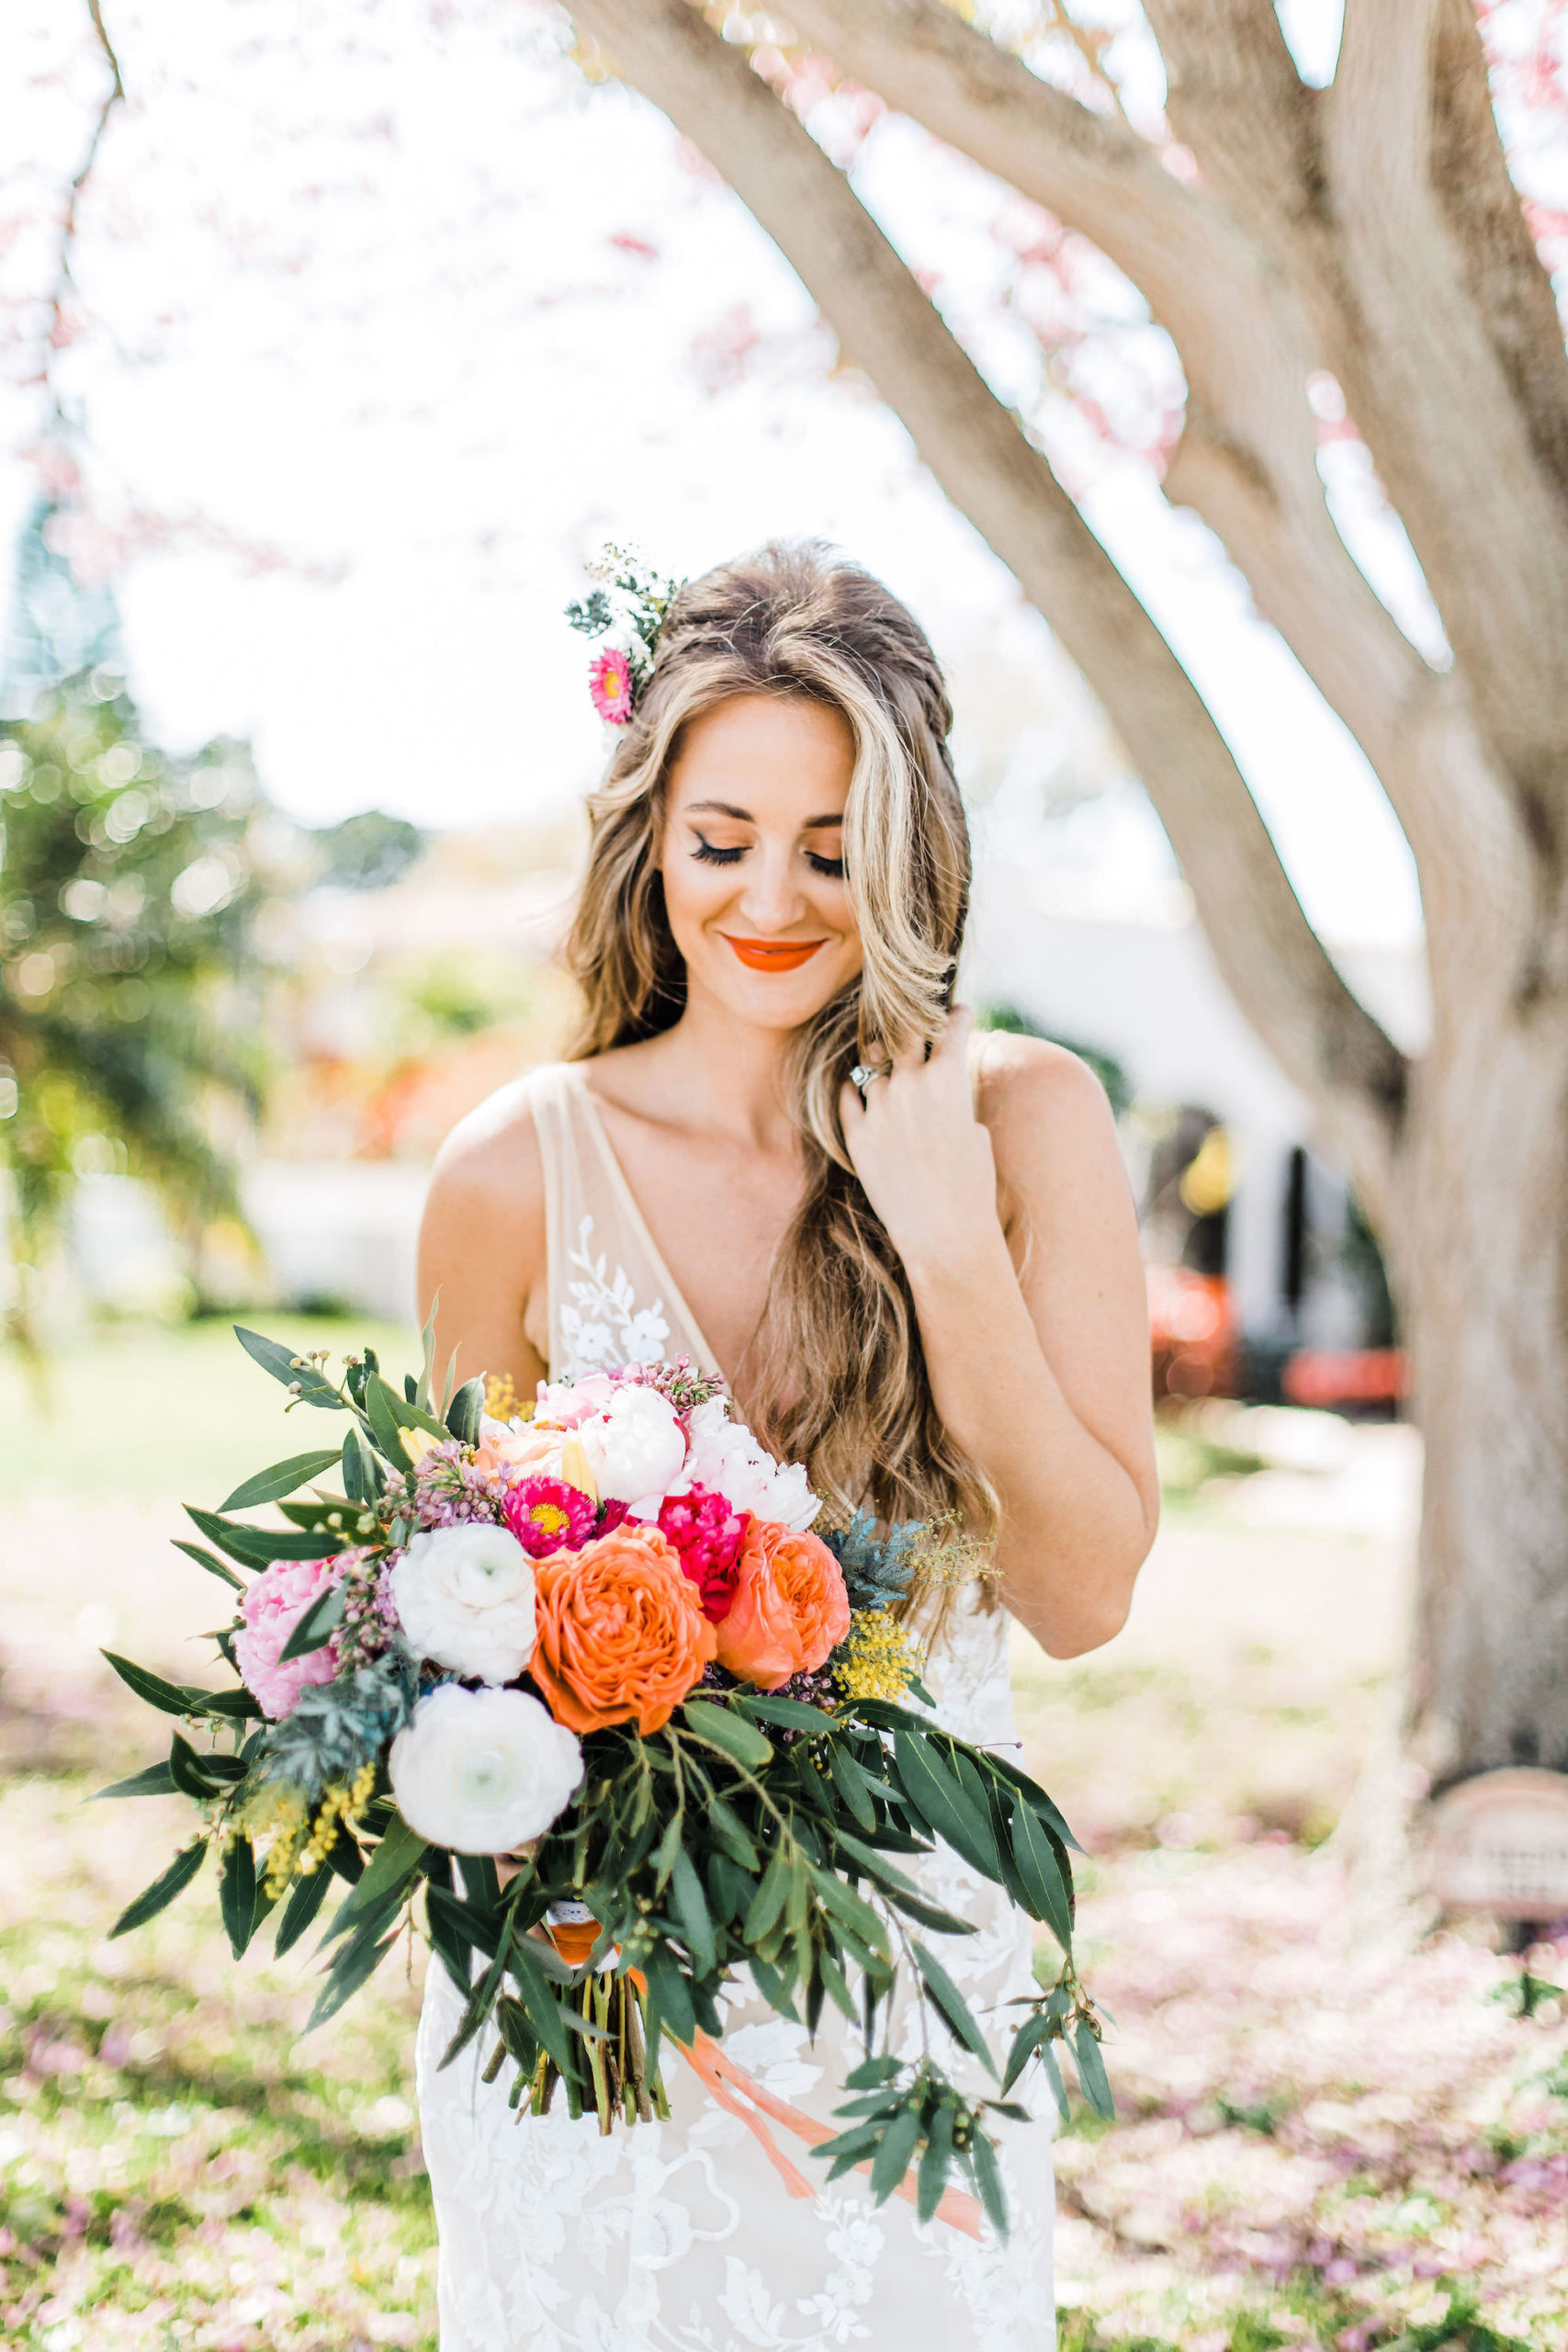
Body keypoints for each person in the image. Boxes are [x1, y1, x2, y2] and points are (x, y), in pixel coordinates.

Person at [413, 540, 1157, 2351]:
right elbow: (450, 1631)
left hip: (912, 1965)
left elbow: (1075, 1592)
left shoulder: (1028, 1119)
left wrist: (944, 1232)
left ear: (911, 854)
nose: (768, 895)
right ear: (647, 834)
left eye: (833, 845)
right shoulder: (514, 1170)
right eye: (720, 833)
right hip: (599, 1982)